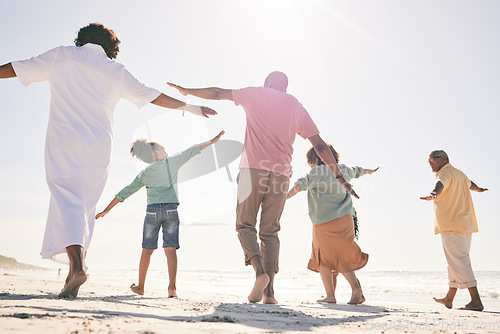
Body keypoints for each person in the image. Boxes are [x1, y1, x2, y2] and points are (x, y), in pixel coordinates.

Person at [0, 23, 216, 298]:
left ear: (82, 39)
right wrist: (189, 107)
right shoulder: (116, 71)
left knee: (67, 198)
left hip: (64, 140)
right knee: (85, 205)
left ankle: (78, 266)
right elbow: (152, 95)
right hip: (99, 147)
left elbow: (17, 67)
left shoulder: (63, 55)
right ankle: (71, 275)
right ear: (109, 47)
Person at [168, 72, 359, 304]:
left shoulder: (255, 94)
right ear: (286, 89)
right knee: (270, 232)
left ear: (267, 83)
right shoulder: (296, 106)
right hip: (281, 176)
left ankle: (260, 273)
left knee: (245, 224)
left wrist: (188, 91)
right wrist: (339, 176)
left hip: (252, 171)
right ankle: (270, 294)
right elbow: (319, 144)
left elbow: (218, 93)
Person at [96, 131, 224, 298]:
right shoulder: (172, 163)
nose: (166, 151)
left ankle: (141, 286)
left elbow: (125, 192)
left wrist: (106, 209)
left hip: (152, 213)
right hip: (171, 211)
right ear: (156, 152)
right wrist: (212, 141)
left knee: (146, 250)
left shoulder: (144, 174)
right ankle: (172, 288)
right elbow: (192, 150)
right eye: (163, 149)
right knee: (170, 250)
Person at [287, 144, 377, 304]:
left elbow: (302, 183)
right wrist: (368, 171)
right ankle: (352, 290)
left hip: (324, 221)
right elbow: (357, 171)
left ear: (314, 158)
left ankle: (333, 295)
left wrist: (287, 195)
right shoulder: (342, 169)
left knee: (324, 259)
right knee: (342, 255)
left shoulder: (317, 171)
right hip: (346, 218)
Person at [420, 150, 487, 311]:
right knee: (456, 261)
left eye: (432, 160)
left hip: (451, 223)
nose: (430, 164)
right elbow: (471, 184)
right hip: (466, 223)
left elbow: (440, 184)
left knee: (459, 260)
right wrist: (479, 189)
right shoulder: (460, 174)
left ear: (443, 159)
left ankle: (476, 300)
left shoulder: (445, 173)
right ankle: (449, 298)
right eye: (428, 161)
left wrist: (433, 193)